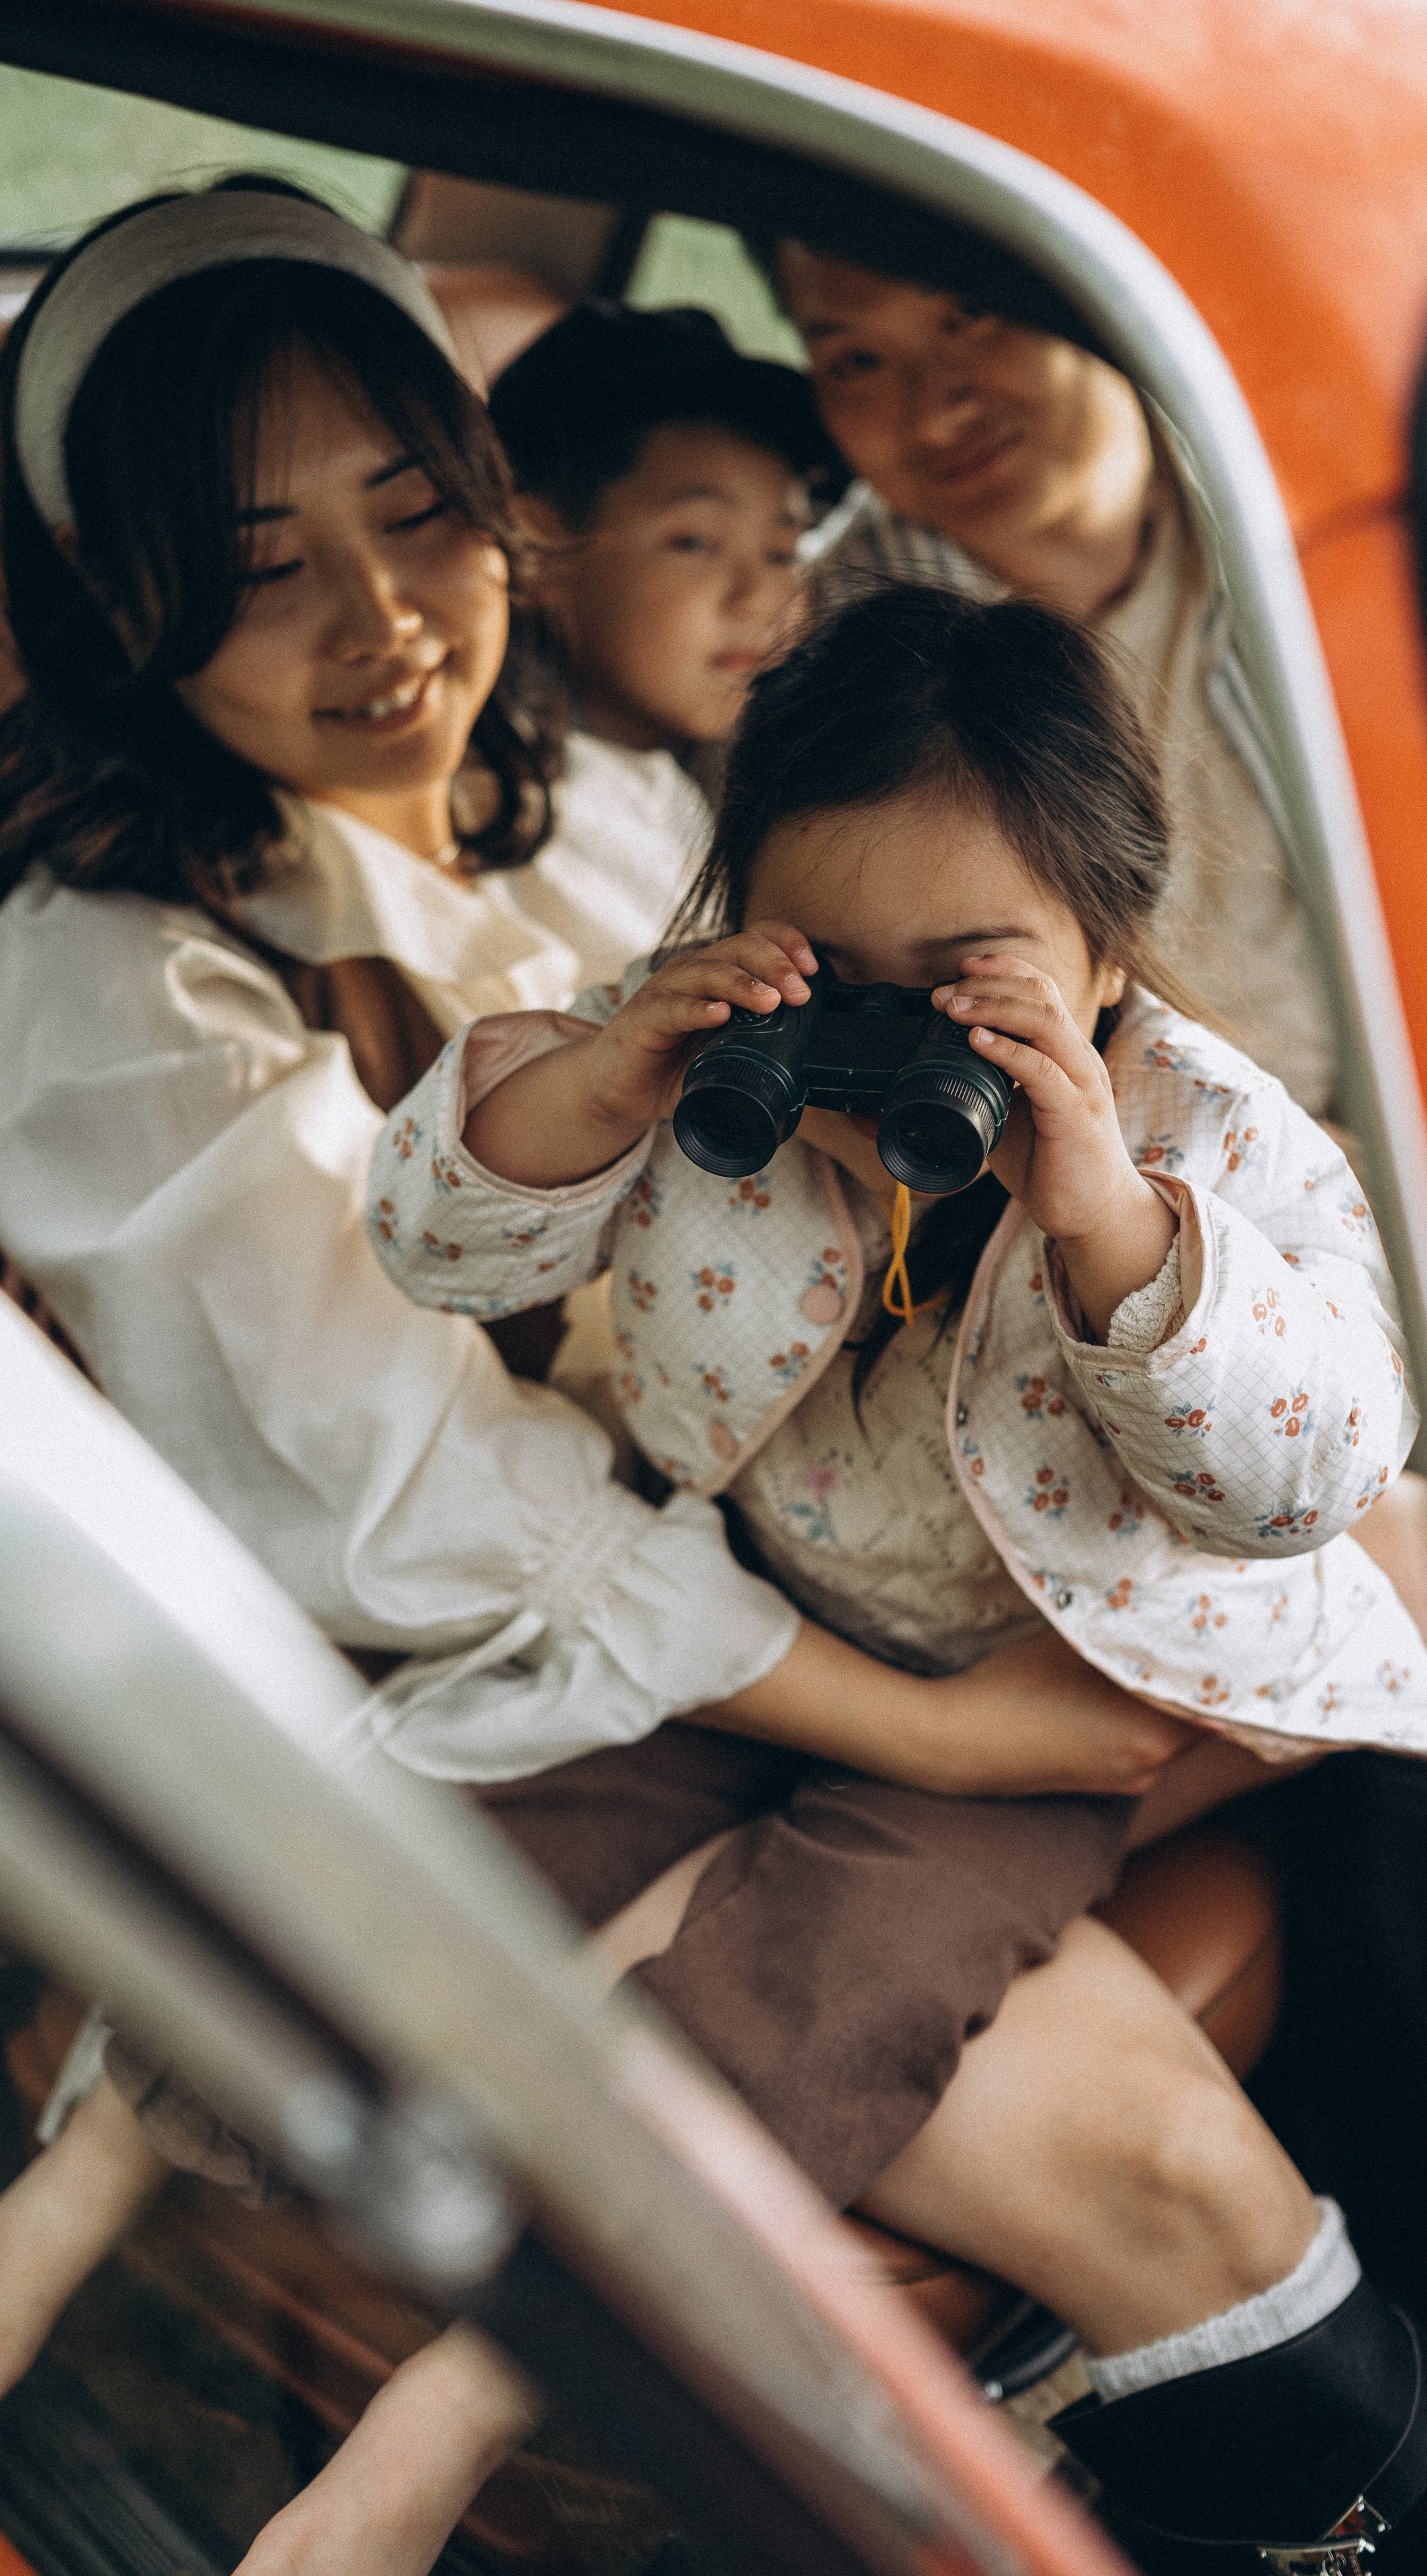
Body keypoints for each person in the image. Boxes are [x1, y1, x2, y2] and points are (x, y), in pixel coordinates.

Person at [0, 183, 1243, 2575]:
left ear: (499, 520)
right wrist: (939, 1724)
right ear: (113, 599)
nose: (378, 624)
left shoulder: (594, 807)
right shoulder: (108, 981)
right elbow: (407, 1501)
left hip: (729, 1575)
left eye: (414, 519)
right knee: (1113, 2122)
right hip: (430, 1661)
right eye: (261, 565)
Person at [368, 584, 1427, 2574]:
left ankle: (460, 2400)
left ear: (1106, 956)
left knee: (853, 1966)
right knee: (459, 1801)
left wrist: (1110, 1227)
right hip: (780, 1603)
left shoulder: (1204, 1138)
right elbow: (434, 1242)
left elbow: (1309, 1467)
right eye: (830, 972)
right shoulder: (701, 1076)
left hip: (1059, 1694)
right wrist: (604, 1068)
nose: (879, 1042)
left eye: (962, 989)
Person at [772, 240, 1339, 1121]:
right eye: (856, 361)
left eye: (970, 312)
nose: (936, 408)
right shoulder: (816, 656)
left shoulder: (1318, 530)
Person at [489, 299, 842, 989]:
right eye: (696, 543)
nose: (757, 598)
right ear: (537, 549)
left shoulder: (705, 781)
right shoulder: (539, 817)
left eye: (781, 549)